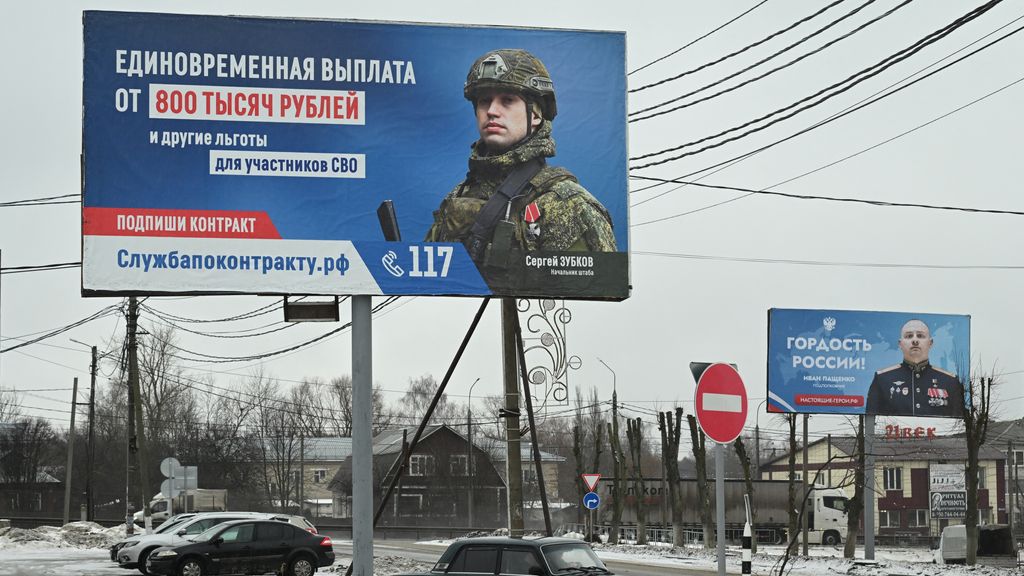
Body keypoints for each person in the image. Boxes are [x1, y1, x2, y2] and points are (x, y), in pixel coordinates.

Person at [424, 48, 616, 281]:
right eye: (485, 101)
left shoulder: (568, 204)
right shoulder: (458, 196)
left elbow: (596, 295)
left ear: (535, 114)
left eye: (507, 101)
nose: (492, 111)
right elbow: (427, 282)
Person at [865, 319, 964, 417]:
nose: (915, 340)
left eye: (920, 336)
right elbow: (870, 423)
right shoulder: (883, 379)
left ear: (930, 343)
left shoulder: (950, 382)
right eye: (909, 336)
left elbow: (960, 426)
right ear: (900, 344)